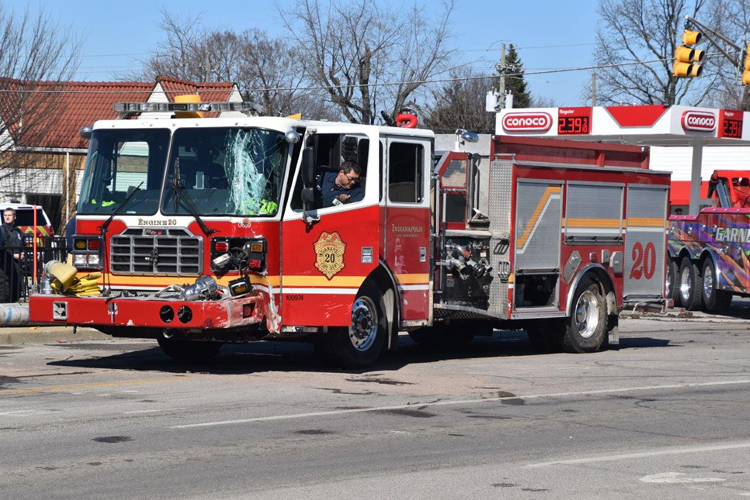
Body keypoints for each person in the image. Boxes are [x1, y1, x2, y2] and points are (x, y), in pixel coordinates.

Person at [1, 208, 25, 302]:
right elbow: (2, 247)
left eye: (9, 215)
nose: (7, 217)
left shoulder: (18, 231)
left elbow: (23, 245)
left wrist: (23, 253)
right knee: (5, 286)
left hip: (16, 264)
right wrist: (13, 255)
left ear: (14, 217)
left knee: (16, 284)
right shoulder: (1, 230)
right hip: (5, 263)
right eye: (5, 215)